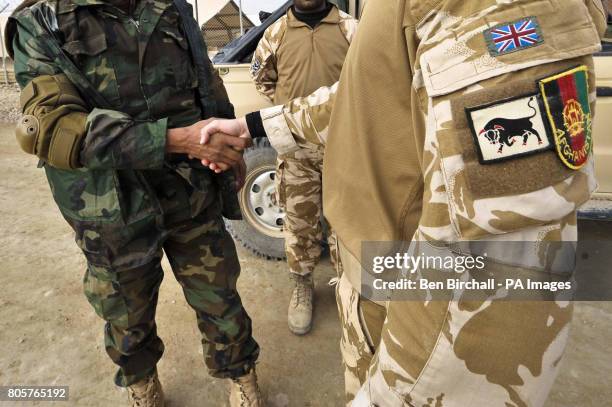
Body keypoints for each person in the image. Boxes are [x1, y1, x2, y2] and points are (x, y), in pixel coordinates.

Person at [201, 0, 608, 405]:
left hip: (405, 301)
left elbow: (497, 275)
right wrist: (255, 124)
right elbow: (371, 90)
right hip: (374, 280)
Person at [5, 0, 263, 405]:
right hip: (109, 205)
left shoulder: (173, 7)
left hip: (189, 189)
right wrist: (173, 140)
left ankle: (241, 376)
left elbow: (206, 80)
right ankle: (143, 386)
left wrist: (230, 148)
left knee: (219, 295)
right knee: (127, 313)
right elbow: (52, 127)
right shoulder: (42, 21)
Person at [251, 0, 357, 335]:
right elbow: (263, 79)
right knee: (299, 222)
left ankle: (350, 287)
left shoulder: (349, 28)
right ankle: (302, 285)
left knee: (349, 221)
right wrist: (290, 113)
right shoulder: (276, 33)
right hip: (296, 151)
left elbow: (370, 78)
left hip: (344, 148)